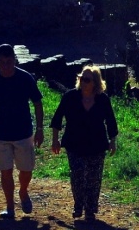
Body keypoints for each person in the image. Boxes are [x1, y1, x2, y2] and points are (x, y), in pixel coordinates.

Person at [0, 44, 44, 220]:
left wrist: (40, 129)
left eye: (9, 61)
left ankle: (23, 191)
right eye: (2, 62)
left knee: (26, 170)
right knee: (5, 171)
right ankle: (9, 207)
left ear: (14, 60)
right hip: (0, 134)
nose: (6, 65)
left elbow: (37, 103)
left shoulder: (25, 78)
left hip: (23, 133)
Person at [50, 65, 119, 221]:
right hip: (75, 144)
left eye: (87, 79)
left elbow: (111, 122)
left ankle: (90, 210)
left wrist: (113, 141)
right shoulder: (70, 97)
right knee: (78, 175)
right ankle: (78, 205)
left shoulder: (102, 100)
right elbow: (57, 118)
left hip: (97, 144)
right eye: (81, 78)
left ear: (95, 82)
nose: (83, 82)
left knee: (94, 178)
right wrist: (55, 139)